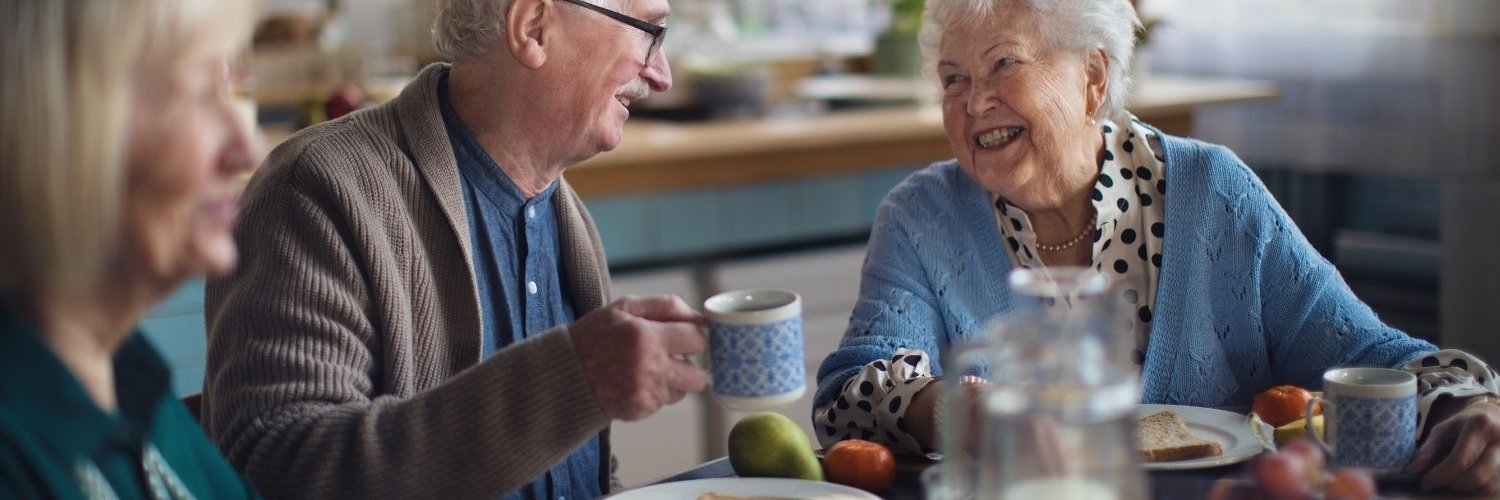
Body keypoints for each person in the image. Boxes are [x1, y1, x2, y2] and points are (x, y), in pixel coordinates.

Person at [813, 0, 1500, 494]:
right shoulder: (922, 216)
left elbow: (1373, 358)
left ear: (1092, 79)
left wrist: (1464, 405)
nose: (973, 102)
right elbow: (853, 392)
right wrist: (967, 413)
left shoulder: (1214, 192)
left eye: (1003, 66)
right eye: (953, 79)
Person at [200, 0, 708, 498]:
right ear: (532, 27)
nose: (660, 74)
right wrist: (575, 380)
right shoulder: (316, 190)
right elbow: (274, 469)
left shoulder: (567, 218)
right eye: (647, 30)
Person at [0, 0, 262, 497]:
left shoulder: (127, 374)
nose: (248, 150)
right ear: (58, 121)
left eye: (232, 89)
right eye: (199, 95)